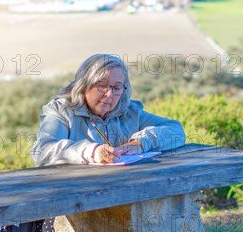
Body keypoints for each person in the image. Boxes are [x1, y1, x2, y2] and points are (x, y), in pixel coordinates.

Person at [32, 54, 186, 166]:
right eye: (102, 85)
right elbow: (43, 150)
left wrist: (140, 143)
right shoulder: (61, 111)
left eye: (117, 87)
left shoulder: (129, 111)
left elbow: (176, 130)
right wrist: (91, 152)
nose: (109, 94)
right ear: (84, 85)